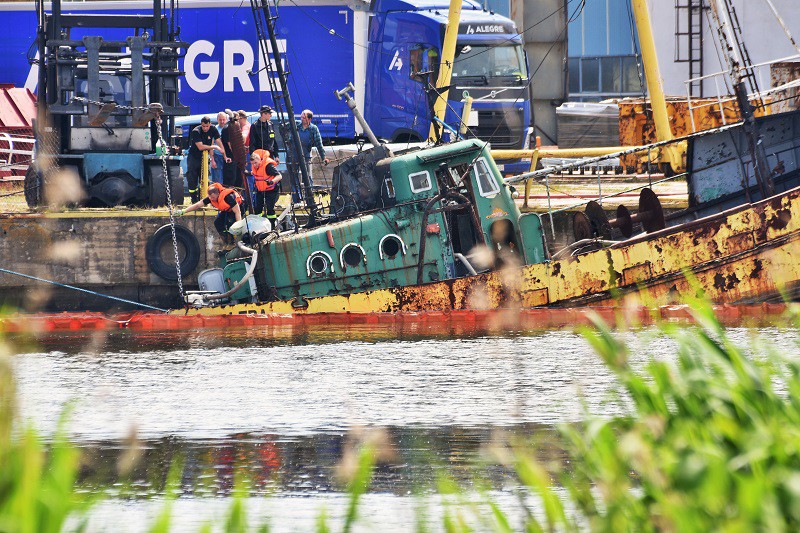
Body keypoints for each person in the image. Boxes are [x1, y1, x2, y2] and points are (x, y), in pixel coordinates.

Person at [177, 182, 243, 244]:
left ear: (218, 194)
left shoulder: (228, 197)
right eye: (210, 197)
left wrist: (238, 226)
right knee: (217, 223)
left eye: (213, 197)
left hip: (238, 208)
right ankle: (227, 242)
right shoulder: (211, 198)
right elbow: (198, 205)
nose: (211, 199)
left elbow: (237, 212)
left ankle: (235, 242)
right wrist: (183, 211)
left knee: (230, 224)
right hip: (227, 209)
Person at [287, 109, 330, 202]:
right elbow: (283, 127)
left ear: (309, 119)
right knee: (294, 178)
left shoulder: (313, 129)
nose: (301, 118)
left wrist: (323, 157)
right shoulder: (295, 125)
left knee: (307, 177)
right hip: (293, 155)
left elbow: (319, 144)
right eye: (301, 116)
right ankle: (296, 199)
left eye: (304, 117)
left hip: (305, 155)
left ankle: (309, 199)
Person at [186, 116, 225, 203]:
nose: (205, 128)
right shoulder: (196, 131)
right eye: (203, 126)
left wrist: (223, 152)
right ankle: (194, 199)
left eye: (207, 126)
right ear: (201, 124)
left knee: (204, 178)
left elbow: (218, 141)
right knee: (192, 178)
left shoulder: (213, 129)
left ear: (210, 124)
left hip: (204, 157)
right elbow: (200, 147)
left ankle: (203, 198)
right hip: (194, 157)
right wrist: (214, 147)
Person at [250, 149, 283, 229]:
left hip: (271, 189)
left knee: (270, 209)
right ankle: (258, 226)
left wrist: (272, 181)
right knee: (257, 208)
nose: (254, 165)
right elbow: (254, 173)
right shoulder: (255, 166)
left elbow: (279, 176)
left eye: (255, 163)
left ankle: (272, 226)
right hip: (260, 189)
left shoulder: (268, 166)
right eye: (252, 164)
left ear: (259, 160)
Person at [211, 112, 228, 184]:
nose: (222, 121)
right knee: (218, 181)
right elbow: (211, 146)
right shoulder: (214, 130)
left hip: (227, 157)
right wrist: (212, 160)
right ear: (217, 120)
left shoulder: (229, 128)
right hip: (217, 156)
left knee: (228, 181)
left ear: (226, 120)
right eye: (220, 120)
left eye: (224, 119)